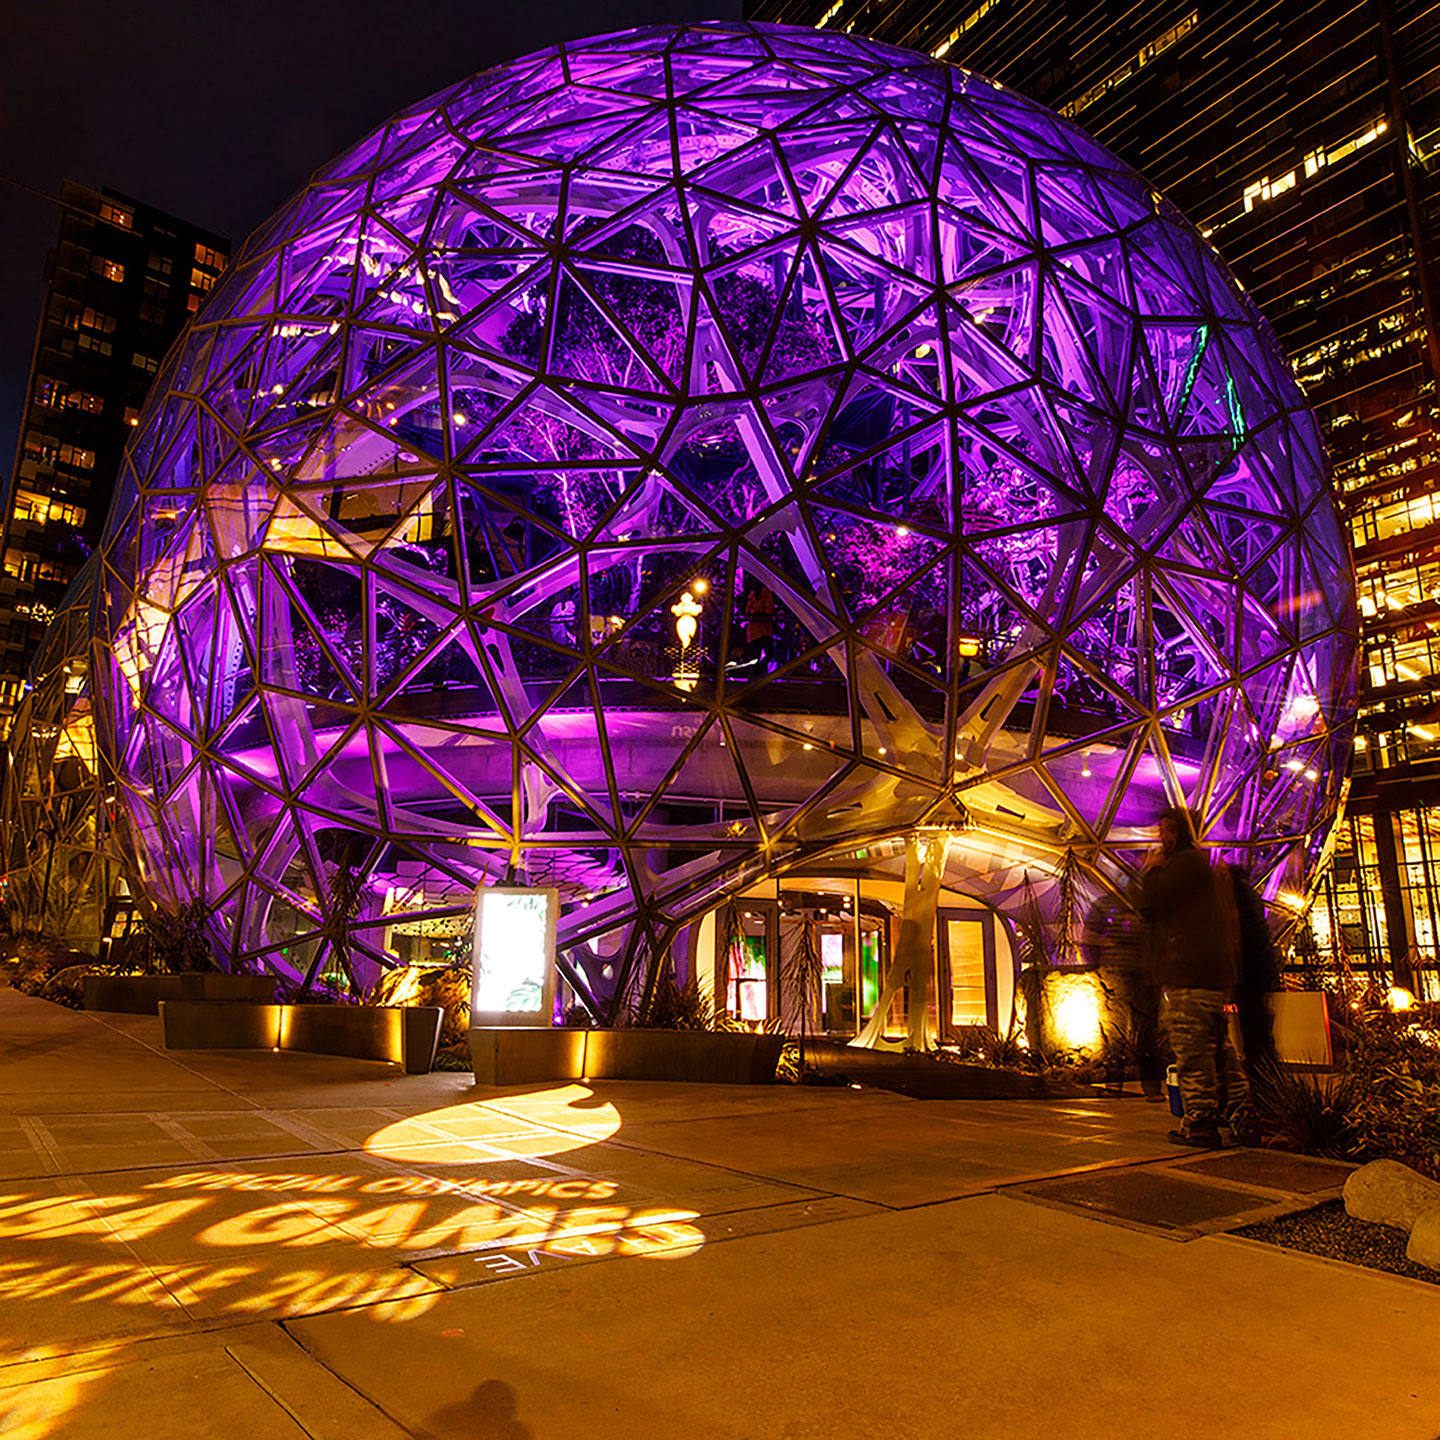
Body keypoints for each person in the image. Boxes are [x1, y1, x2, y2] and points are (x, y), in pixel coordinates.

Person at [1139, 806, 1250, 1147]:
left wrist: (1152, 872)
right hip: (1211, 976)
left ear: (1181, 832)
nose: (1161, 837)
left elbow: (1151, 905)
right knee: (1219, 1050)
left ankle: (1201, 1124)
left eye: (1168, 830)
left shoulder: (1184, 865)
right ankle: (1244, 1118)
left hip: (1191, 977)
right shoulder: (1208, 868)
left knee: (1193, 1052)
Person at [1228, 863, 1280, 1079]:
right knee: (1258, 1030)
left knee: (1254, 1032)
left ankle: (1263, 1081)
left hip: (1250, 974)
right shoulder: (1250, 895)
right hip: (1259, 973)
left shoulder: (1238, 898)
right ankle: (1267, 1080)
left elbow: (1240, 938)